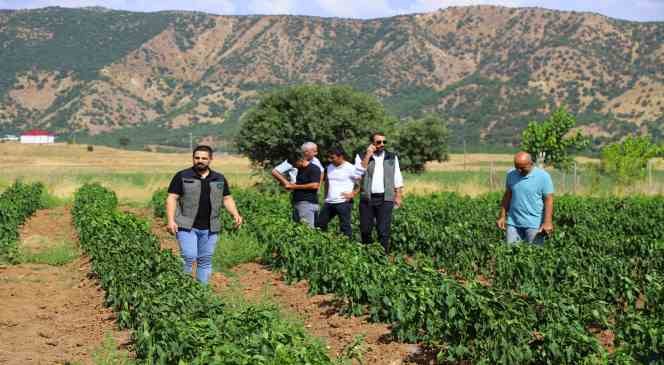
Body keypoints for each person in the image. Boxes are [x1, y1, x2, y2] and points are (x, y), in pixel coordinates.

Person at [165, 145, 243, 284]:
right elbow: (172, 197)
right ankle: (183, 288)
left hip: (210, 226)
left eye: (204, 158)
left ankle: (202, 293)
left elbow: (227, 198)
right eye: (197, 158)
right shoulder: (183, 175)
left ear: (210, 159)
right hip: (186, 225)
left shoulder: (219, 178)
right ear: (193, 158)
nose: (200, 160)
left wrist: (235, 214)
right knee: (188, 256)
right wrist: (171, 220)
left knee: (205, 260)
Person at [353, 132, 404, 253]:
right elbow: (358, 174)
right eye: (379, 142)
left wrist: (398, 195)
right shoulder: (361, 156)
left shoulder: (391, 157)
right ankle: (367, 255)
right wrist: (368, 155)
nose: (382, 144)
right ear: (372, 143)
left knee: (383, 230)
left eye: (384, 142)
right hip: (367, 198)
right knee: (365, 230)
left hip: (385, 198)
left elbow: (397, 176)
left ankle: (382, 257)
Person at [496, 151, 554, 245]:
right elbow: (507, 195)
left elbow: (548, 199)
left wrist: (547, 222)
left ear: (531, 164)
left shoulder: (543, 177)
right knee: (510, 253)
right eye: (517, 167)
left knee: (535, 254)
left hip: (534, 223)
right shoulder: (511, 174)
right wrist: (502, 216)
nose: (519, 171)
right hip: (513, 222)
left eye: (522, 168)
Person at [273, 150, 322, 227]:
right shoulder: (300, 170)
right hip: (298, 202)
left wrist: (294, 186)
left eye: (294, 163)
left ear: (300, 160)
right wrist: (288, 185)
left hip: (306, 203)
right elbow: (301, 184)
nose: (293, 166)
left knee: (306, 230)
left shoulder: (314, 168)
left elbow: (315, 185)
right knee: (298, 228)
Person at [317, 147, 356, 239]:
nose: (329, 160)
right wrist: (326, 196)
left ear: (341, 157)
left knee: (345, 227)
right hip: (329, 202)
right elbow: (327, 182)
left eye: (332, 158)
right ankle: (324, 242)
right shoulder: (330, 167)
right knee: (320, 224)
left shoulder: (351, 168)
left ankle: (347, 247)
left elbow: (361, 182)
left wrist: (353, 194)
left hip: (343, 202)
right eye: (329, 157)